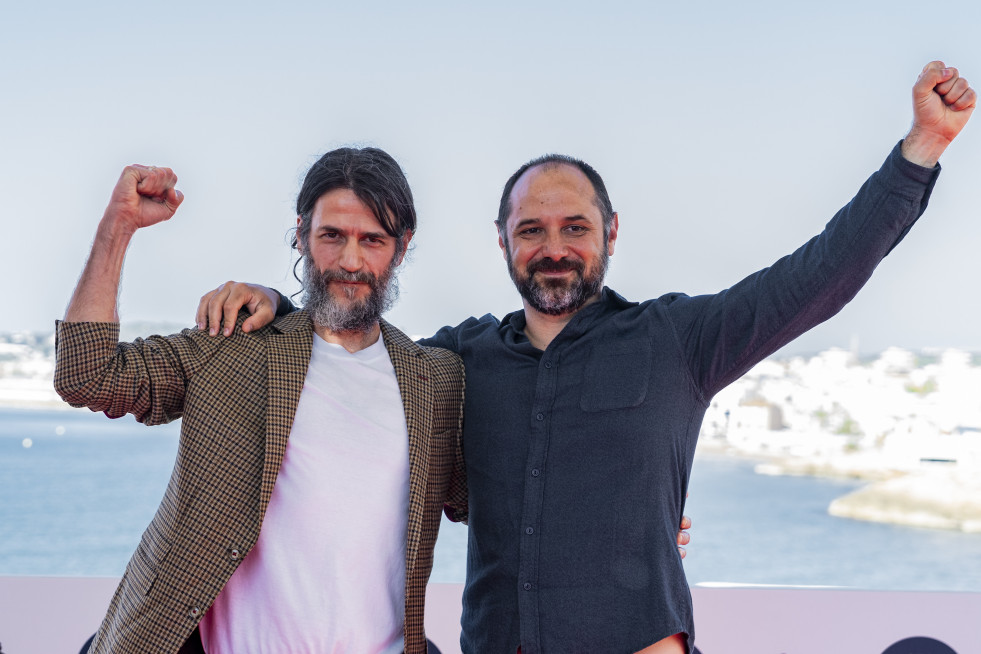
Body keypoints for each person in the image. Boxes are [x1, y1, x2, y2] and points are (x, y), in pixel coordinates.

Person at [197, 62, 975, 653]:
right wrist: (274, 301)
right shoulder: (455, 361)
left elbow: (820, 274)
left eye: (574, 227)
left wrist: (921, 148)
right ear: (501, 240)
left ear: (610, 232)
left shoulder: (677, 343)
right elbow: (348, 359)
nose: (553, 248)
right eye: (530, 230)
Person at [54, 147, 469, 654]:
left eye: (373, 240)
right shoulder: (235, 344)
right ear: (301, 233)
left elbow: (498, 502)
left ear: (402, 247)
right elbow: (85, 374)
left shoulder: (438, 381)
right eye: (331, 235)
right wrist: (117, 228)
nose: (350, 261)